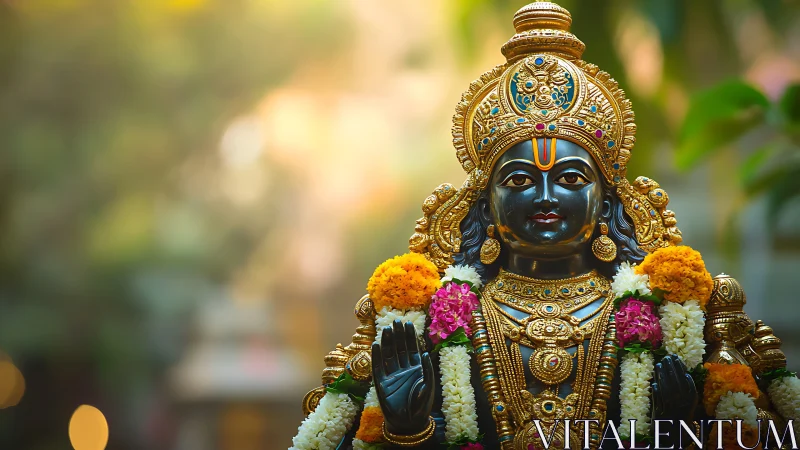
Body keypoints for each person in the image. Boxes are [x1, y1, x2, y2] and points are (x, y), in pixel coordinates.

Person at [291, 3, 796, 449]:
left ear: (605, 200)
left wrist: (677, 432)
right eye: (520, 179)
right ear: (486, 204)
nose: (548, 196)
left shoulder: (676, 320)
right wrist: (408, 430)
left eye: (572, 178)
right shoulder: (426, 324)